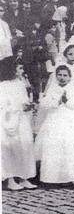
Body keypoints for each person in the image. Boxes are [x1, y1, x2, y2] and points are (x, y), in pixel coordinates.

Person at [35, 65, 74, 184]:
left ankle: (70, 178)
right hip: (55, 120)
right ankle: (51, 178)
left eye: (65, 75)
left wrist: (66, 101)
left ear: (69, 77)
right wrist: (56, 102)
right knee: (54, 147)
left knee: (70, 146)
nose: (62, 77)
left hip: (71, 121)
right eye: (59, 75)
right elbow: (44, 104)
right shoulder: (52, 89)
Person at [0, 57, 37, 190]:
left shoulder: (21, 83)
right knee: (10, 148)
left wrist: (28, 105)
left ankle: (24, 177)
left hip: (22, 119)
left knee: (24, 146)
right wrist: (17, 108)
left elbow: (23, 100)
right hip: (9, 119)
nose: (22, 71)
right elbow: (3, 104)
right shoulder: (3, 85)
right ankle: (10, 179)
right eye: (20, 68)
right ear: (11, 69)